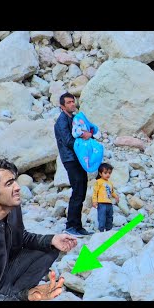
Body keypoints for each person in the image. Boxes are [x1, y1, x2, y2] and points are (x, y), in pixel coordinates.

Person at [0, 159, 78, 301]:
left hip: (4, 273)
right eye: (9, 183)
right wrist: (24, 298)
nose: (17, 187)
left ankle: (17, 293)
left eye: (15, 181)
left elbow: (22, 237)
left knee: (50, 247)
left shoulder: (11, 207)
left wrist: (52, 239)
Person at [54, 92, 93, 237]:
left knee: (81, 190)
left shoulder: (75, 119)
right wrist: (83, 136)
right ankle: (71, 225)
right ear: (62, 106)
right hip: (70, 159)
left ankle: (78, 225)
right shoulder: (62, 121)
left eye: (73, 101)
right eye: (69, 102)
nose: (72, 104)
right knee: (77, 191)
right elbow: (68, 141)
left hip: (78, 159)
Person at [92, 163, 119, 232]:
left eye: (109, 173)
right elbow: (95, 192)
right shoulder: (98, 182)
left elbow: (112, 192)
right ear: (100, 174)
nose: (108, 175)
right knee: (102, 217)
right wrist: (94, 201)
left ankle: (108, 230)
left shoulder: (110, 183)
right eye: (105, 173)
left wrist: (116, 196)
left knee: (110, 217)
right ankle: (101, 230)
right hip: (101, 203)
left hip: (109, 203)